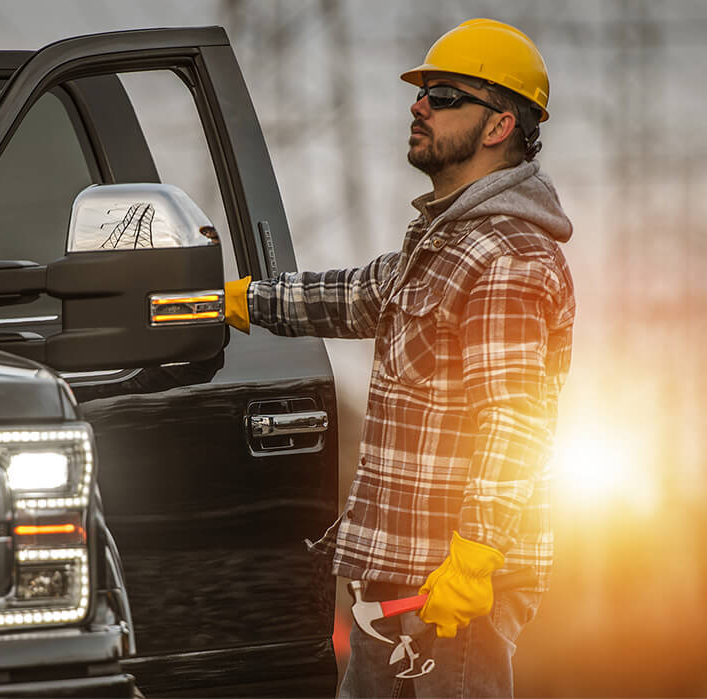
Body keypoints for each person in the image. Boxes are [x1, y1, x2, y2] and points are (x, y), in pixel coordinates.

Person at [224, 18, 575, 699]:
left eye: (442, 95)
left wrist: (474, 556)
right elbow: (358, 294)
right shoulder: (443, 244)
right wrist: (241, 301)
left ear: (499, 124)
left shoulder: (508, 256)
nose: (417, 105)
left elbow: (515, 420)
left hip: (452, 582)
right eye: (422, 93)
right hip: (400, 573)